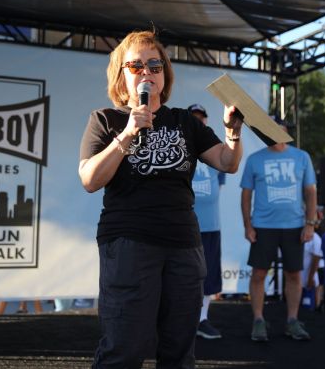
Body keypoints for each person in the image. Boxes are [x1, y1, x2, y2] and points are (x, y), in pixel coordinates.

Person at [79, 30, 243, 368]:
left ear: (165, 73)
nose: (147, 72)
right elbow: (90, 180)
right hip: (129, 243)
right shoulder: (105, 120)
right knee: (124, 348)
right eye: (136, 65)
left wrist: (233, 132)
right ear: (121, 75)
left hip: (183, 244)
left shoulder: (185, 121)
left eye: (155, 64)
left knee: (179, 350)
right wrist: (127, 134)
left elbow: (227, 162)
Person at [240, 119, 316, 342]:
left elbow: (311, 192)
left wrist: (309, 224)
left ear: (285, 132)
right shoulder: (255, 159)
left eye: (278, 129)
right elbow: (246, 195)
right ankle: (258, 321)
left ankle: (292, 321)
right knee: (259, 274)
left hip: (294, 226)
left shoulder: (302, 157)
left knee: (294, 274)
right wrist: (247, 225)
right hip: (263, 226)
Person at [188, 103, 226, 340]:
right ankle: (178, 320)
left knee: (208, 275)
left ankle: (202, 320)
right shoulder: (176, 148)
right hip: (183, 225)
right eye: (194, 118)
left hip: (210, 225)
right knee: (180, 275)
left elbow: (217, 188)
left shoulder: (215, 150)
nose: (199, 122)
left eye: (202, 119)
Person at [301, 230, 322, 312]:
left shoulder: (315, 238)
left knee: (309, 309)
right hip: (296, 282)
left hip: (308, 282)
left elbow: (316, 259)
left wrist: (310, 278)